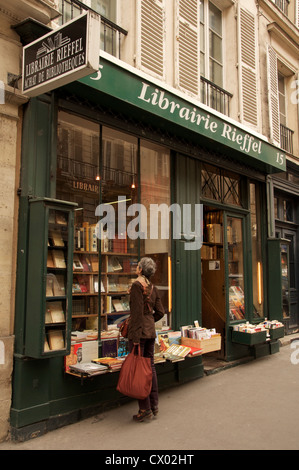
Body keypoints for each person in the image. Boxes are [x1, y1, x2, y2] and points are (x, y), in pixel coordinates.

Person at [128, 257, 165, 422]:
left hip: (140, 334)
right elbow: (160, 312)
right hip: (150, 332)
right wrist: (149, 321)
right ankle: (154, 405)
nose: (136, 268)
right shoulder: (152, 287)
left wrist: (135, 337)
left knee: (140, 370)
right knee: (150, 368)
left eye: (138, 266)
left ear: (140, 270)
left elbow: (136, 315)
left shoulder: (137, 286)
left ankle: (144, 409)